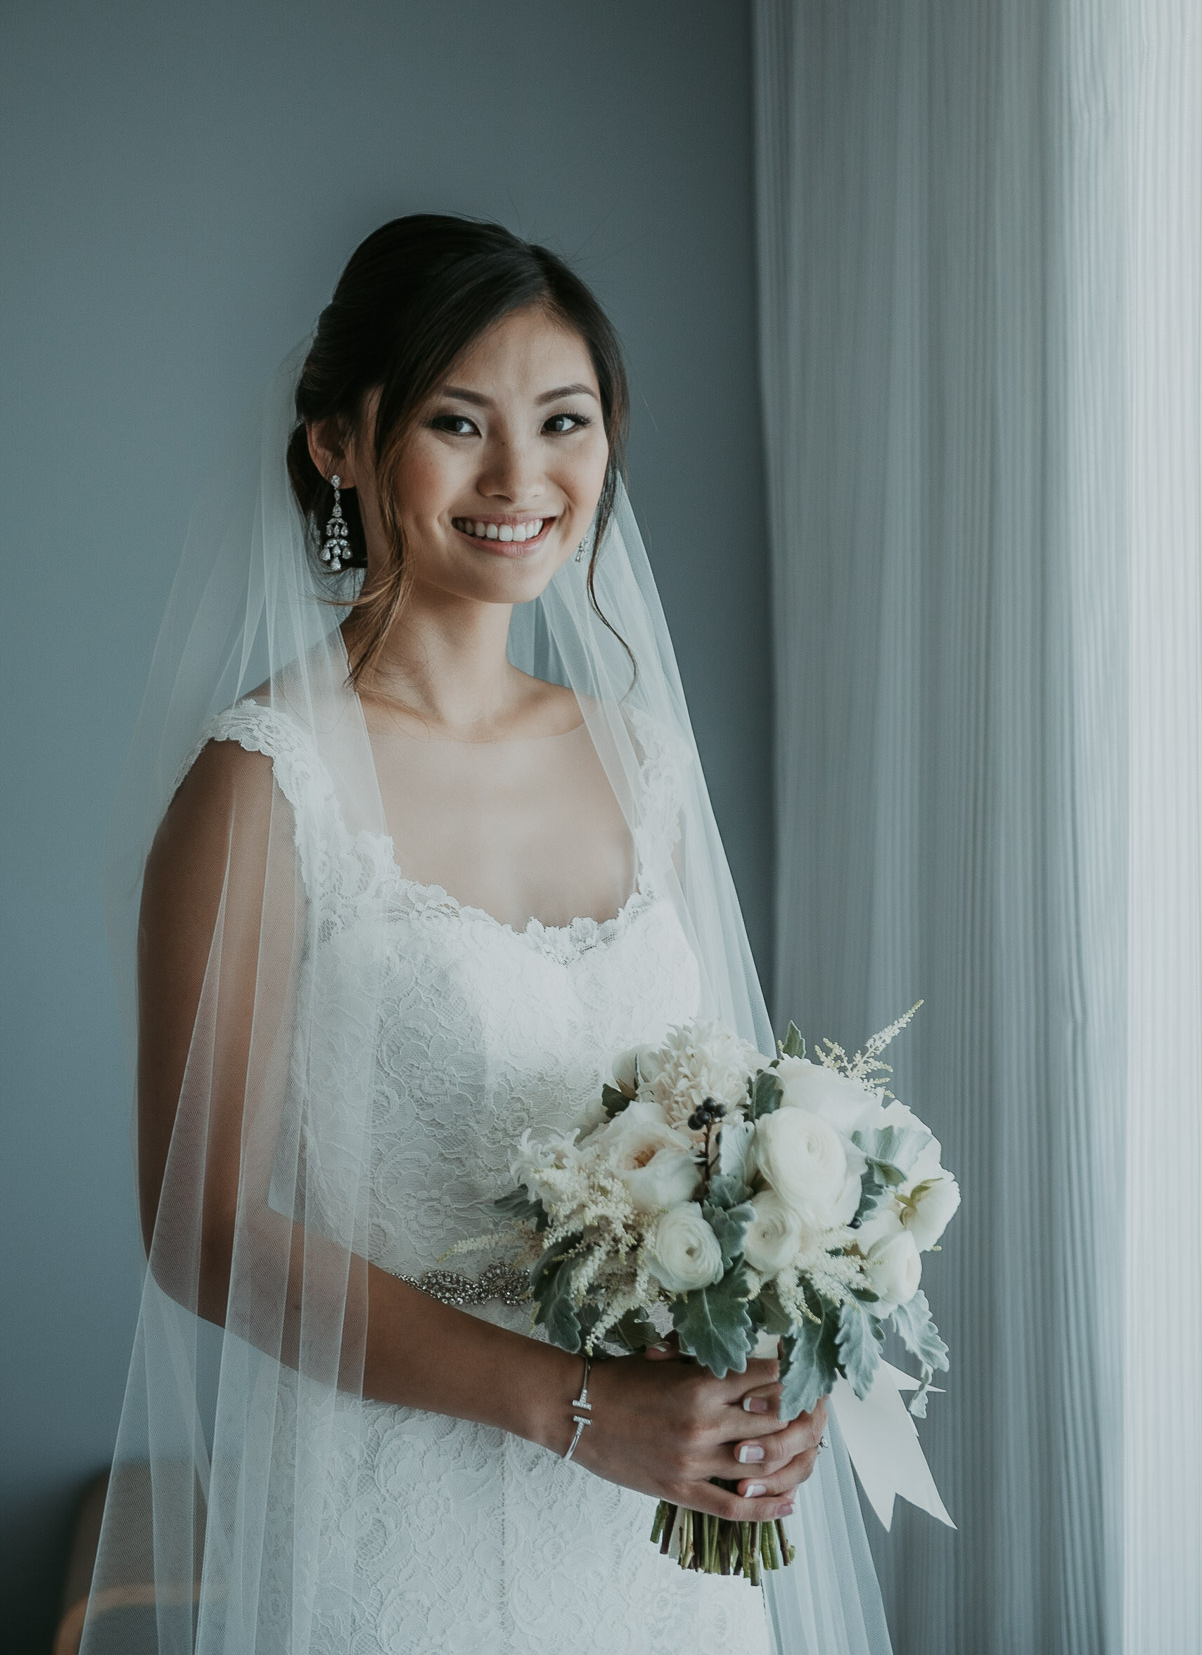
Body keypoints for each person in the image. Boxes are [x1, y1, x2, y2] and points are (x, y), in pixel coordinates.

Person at [84, 215, 893, 1654]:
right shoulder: (267, 785)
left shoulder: (640, 758)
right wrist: (575, 1414)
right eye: (459, 423)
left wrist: (758, 1366)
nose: (522, 479)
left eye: (562, 422)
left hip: (658, 1532)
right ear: (340, 442)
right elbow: (200, 1231)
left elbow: (719, 1121)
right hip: (402, 1524)